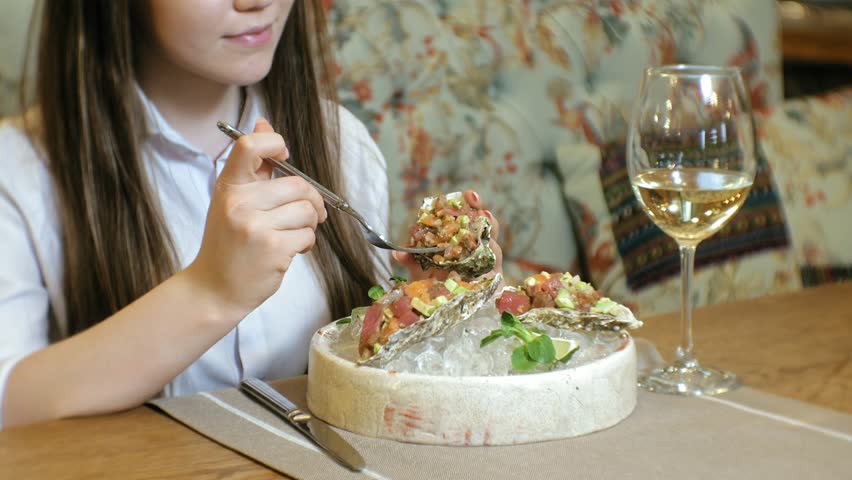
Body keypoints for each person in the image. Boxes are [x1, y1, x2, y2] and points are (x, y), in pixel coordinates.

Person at [0, 0, 501, 429]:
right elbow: (9, 404)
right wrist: (211, 291)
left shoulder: (341, 142)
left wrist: (436, 303)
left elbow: (370, 377)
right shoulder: (19, 171)